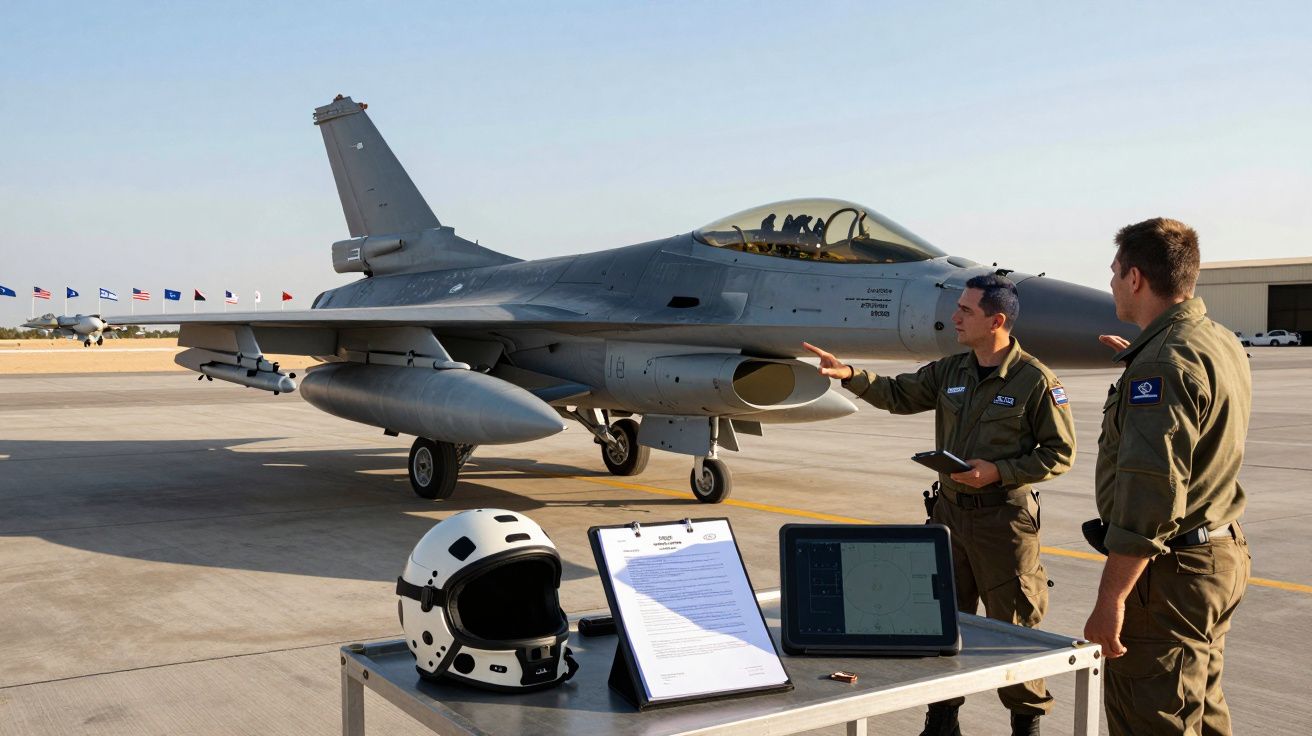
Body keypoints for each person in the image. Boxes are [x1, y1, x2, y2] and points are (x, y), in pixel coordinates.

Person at [804, 273, 1076, 736]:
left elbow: (1059, 453)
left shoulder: (1036, 381)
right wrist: (851, 375)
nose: (955, 317)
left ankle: (1026, 725)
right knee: (944, 622)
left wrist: (997, 471)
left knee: (1014, 628)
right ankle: (942, 721)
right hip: (948, 517)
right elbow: (899, 394)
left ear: (997, 320)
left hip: (1003, 523)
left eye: (965, 311)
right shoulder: (953, 370)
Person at [1083, 218, 1252, 736]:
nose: (1111, 284)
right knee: (1199, 709)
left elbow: (1149, 496)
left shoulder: (1163, 362)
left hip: (1171, 576)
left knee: (1152, 718)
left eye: (1114, 273)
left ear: (1135, 278)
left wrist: (1111, 600)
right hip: (1216, 556)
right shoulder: (1216, 341)